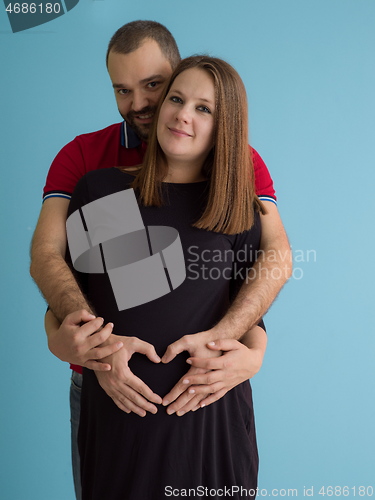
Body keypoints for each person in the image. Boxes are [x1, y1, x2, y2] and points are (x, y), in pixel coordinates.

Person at [30, 20, 291, 498]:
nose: (141, 104)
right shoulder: (95, 174)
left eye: (154, 85)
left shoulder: (236, 175)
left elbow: (264, 269)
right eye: (123, 90)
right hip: (112, 402)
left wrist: (251, 352)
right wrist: (69, 343)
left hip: (211, 415)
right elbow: (54, 263)